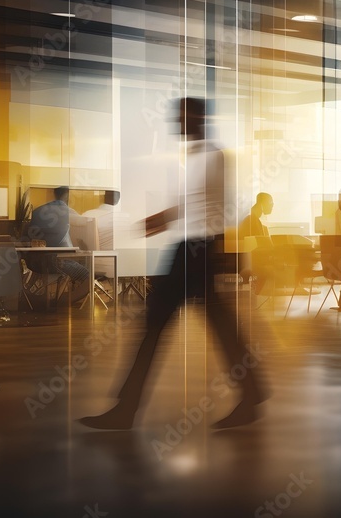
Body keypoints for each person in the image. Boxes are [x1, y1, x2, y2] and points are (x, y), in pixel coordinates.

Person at [80, 97, 265, 430]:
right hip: (192, 249)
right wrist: (158, 221)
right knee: (214, 325)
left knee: (154, 324)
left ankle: (127, 408)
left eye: (181, 117)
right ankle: (251, 393)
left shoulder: (212, 156)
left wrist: (195, 236)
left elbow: (215, 209)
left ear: (196, 118)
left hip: (196, 251)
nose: (176, 124)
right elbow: (189, 205)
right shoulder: (194, 157)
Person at [27, 186, 91, 304]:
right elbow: (86, 222)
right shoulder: (66, 211)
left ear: (54, 194)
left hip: (34, 262)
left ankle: (54, 298)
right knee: (87, 275)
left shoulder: (37, 211)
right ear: (68, 196)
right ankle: (61, 302)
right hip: (56, 262)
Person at [239, 192, 275, 296]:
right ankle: (259, 293)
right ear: (262, 204)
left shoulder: (254, 219)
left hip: (253, 258)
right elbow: (258, 245)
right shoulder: (252, 221)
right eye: (271, 202)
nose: (272, 205)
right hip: (253, 261)